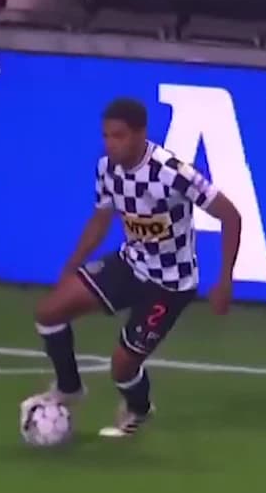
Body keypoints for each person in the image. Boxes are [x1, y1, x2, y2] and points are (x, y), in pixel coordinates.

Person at [25, 98, 243, 438]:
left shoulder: (172, 173)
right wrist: (72, 265)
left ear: (141, 134)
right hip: (131, 263)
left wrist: (225, 279)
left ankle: (139, 409)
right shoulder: (107, 169)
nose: (110, 144)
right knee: (49, 312)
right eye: (106, 136)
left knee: (122, 366)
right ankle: (69, 387)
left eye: (118, 136)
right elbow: (101, 219)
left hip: (170, 284)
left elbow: (230, 215)